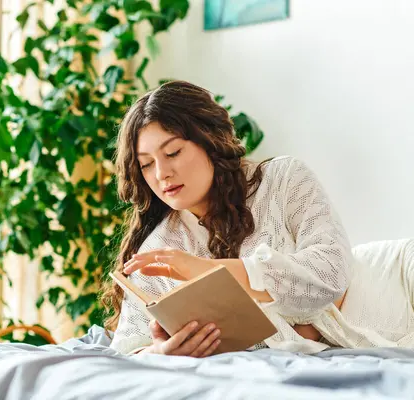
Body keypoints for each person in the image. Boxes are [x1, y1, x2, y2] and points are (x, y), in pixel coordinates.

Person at [100, 80, 414, 357]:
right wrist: (160, 351)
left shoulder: (284, 179)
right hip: (339, 346)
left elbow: (330, 275)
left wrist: (209, 271)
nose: (161, 173)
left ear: (209, 140)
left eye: (173, 153)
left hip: (391, 284)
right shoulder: (160, 248)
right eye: (145, 164)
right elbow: (128, 347)